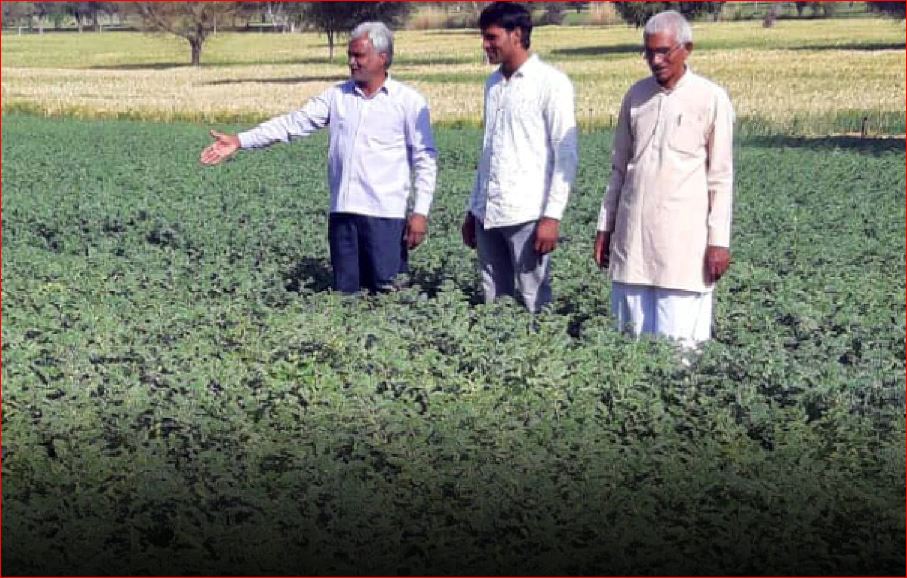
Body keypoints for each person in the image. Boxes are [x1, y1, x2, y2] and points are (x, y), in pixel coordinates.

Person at [200, 22, 437, 294]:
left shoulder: (408, 102)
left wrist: (420, 212)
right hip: (343, 214)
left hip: (385, 216)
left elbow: (425, 158)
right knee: (346, 295)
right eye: (350, 55)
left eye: (359, 55)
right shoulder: (337, 97)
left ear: (382, 58)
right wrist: (241, 140)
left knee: (390, 292)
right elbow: (292, 124)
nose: (351, 62)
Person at [593, 10, 734, 351]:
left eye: (663, 51)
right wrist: (605, 226)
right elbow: (619, 168)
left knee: (680, 347)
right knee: (631, 342)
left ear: (687, 49)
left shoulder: (710, 98)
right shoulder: (636, 96)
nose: (655, 61)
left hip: (683, 246)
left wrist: (718, 242)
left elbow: (721, 177)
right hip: (633, 240)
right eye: (649, 52)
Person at [461, 1, 578, 313]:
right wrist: (473, 209)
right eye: (483, 38)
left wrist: (551, 217)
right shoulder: (493, 85)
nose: (485, 45)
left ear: (517, 34)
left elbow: (565, 155)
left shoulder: (551, 83)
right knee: (493, 297)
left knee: (534, 298)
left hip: (527, 212)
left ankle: (541, 356)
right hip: (489, 212)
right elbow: (489, 151)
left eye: (491, 37)